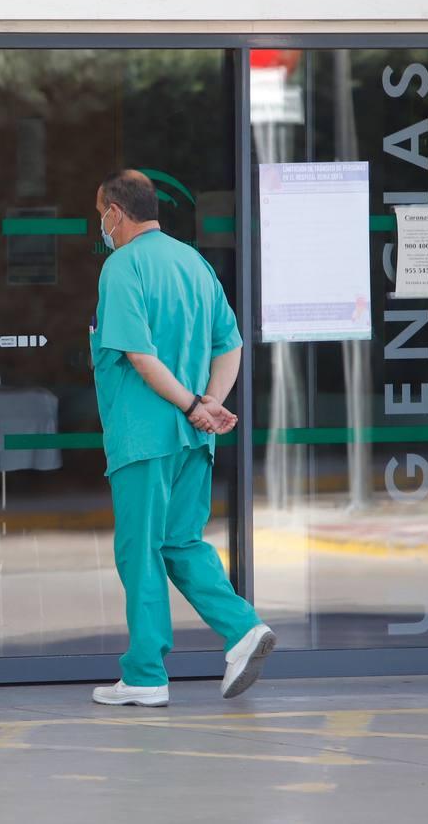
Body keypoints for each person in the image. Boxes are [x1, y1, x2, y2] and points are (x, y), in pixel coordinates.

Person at [88, 170, 273, 708]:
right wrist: (210, 404)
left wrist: (196, 405)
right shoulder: (194, 263)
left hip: (144, 436)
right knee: (180, 543)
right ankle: (243, 630)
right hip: (193, 439)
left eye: (100, 214)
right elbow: (230, 343)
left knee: (140, 551)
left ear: (115, 214)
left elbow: (140, 356)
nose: (100, 225)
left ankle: (145, 674)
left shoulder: (122, 266)